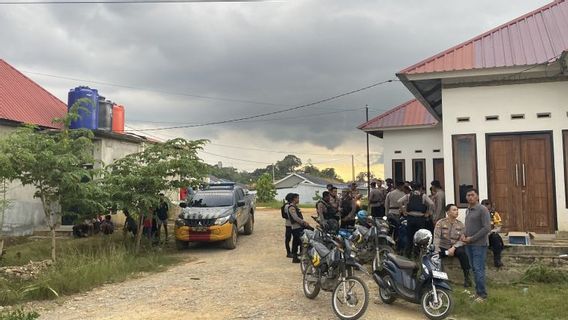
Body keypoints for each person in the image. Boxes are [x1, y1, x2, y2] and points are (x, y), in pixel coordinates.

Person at [460, 189, 491, 302]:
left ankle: (482, 295)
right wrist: (464, 235)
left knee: (478, 269)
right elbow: (467, 226)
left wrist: (472, 238)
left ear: (477, 197)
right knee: (473, 269)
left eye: (472, 195)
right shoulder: (468, 210)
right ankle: (477, 292)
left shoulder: (482, 210)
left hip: (479, 244)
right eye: (468, 195)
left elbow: (487, 228)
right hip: (468, 244)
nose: (470, 197)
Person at [434, 204, 472, 287]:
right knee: (434, 256)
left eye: (457, 210)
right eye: (454, 210)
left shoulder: (460, 225)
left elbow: (462, 240)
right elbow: (436, 238)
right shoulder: (440, 223)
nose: (457, 212)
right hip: (443, 247)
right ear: (448, 212)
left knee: (462, 253)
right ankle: (436, 279)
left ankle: (467, 278)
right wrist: (436, 250)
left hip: (455, 247)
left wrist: (454, 248)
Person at [398, 182, 434, 258]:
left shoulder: (408, 195)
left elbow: (399, 201)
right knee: (420, 236)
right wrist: (428, 212)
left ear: (412, 188)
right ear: (420, 188)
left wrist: (403, 211)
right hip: (420, 218)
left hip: (410, 218)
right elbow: (431, 204)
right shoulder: (423, 196)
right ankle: (417, 254)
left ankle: (408, 254)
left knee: (410, 236)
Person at [286, 193, 311, 263]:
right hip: (296, 227)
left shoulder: (295, 207)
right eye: (297, 198)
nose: (298, 200)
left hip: (298, 227)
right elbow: (295, 218)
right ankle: (298, 257)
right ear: (294, 199)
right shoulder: (291, 207)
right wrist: (304, 222)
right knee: (300, 242)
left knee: (296, 242)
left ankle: (295, 258)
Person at [481, 199, 504, 268]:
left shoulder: (494, 214)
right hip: (480, 236)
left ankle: (497, 260)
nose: (485, 206)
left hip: (490, 235)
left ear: (490, 205)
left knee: (495, 237)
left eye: (487, 204)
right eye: (483, 204)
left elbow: (498, 227)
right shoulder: (477, 214)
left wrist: (491, 232)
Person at [282, 194, 294, 258]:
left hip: (288, 224)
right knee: (288, 239)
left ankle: (290, 252)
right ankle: (289, 252)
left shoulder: (287, 205)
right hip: (290, 224)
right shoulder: (288, 206)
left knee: (288, 239)